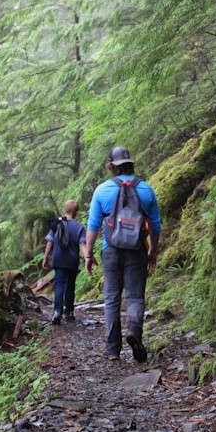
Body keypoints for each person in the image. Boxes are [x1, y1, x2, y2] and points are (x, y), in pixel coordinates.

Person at [83, 147, 161, 362]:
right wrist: (153, 250)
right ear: (131, 164)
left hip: (112, 250)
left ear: (111, 166)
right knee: (135, 297)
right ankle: (134, 331)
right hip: (137, 249)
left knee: (111, 299)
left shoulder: (102, 190)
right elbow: (155, 225)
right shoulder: (145, 189)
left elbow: (93, 225)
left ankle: (112, 349)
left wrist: (88, 255)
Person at [43, 200, 86, 325]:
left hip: (58, 260)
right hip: (72, 261)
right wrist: (87, 257)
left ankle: (57, 312)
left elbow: (49, 242)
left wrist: (45, 258)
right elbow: (82, 244)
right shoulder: (79, 227)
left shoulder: (56, 224)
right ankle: (69, 312)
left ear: (64, 210)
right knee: (70, 286)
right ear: (76, 212)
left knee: (59, 285)